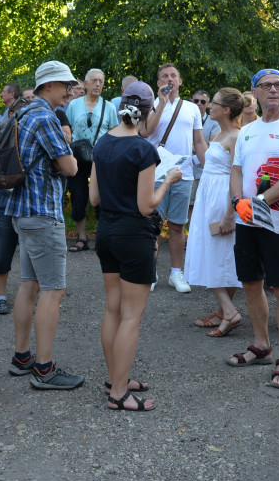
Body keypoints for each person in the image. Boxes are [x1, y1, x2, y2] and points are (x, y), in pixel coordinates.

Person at [91, 81, 183, 411]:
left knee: (112, 309)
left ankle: (115, 377)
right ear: (147, 112)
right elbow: (147, 206)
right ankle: (119, 393)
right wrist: (168, 180)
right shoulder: (143, 150)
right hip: (134, 234)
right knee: (131, 316)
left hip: (106, 231)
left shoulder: (102, 143)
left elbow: (94, 198)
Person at [224, 69, 279, 388]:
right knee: (250, 282)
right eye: (266, 86)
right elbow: (236, 169)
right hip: (246, 218)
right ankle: (261, 344)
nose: (273, 90)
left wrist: (257, 202)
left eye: (278, 85)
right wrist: (238, 202)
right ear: (255, 93)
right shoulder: (247, 130)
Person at [6, 60, 82, 390]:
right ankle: (44, 368)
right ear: (48, 85)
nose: (70, 91)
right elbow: (71, 168)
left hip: (23, 212)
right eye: (65, 85)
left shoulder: (22, 113)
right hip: (42, 213)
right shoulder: (45, 117)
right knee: (53, 289)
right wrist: (69, 148)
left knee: (29, 284)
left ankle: (22, 357)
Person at [139, 63, 207, 293]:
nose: (169, 79)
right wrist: (161, 102)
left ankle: (176, 273)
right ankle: (151, 272)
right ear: (159, 82)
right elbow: (146, 131)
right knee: (153, 225)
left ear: (179, 81)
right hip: (155, 173)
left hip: (183, 174)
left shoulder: (191, 108)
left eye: (173, 76)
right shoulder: (151, 105)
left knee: (178, 226)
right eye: (165, 76)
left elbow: (199, 141)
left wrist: (208, 169)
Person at [185, 88, 245, 337]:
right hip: (207, 195)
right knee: (216, 252)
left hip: (221, 198)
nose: (209, 106)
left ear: (226, 110)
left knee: (215, 253)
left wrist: (230, 213)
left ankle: (230, 312)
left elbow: (237, 176)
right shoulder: (219, 133)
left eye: (215, 103)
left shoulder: (236, 137)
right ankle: (222, 312)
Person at [0, 96, 31, 316]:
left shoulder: (36, 136)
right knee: (0, 250)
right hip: (2, 198)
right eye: (19, 113)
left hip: (29, 199)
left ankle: (31, 296)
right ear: (11, 114)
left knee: (32, 252)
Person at [66, 69, 116, 253]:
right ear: (85, 84)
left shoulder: (109, 107)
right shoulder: (74, 105)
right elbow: (68, 131)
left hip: (101, 159)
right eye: (94, 80)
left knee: (103, 197)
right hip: (78, 158)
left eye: (101, 81)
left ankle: (102, 237)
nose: (98, 84)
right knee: (78, 195)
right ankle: (82, 238)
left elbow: (114, 133)